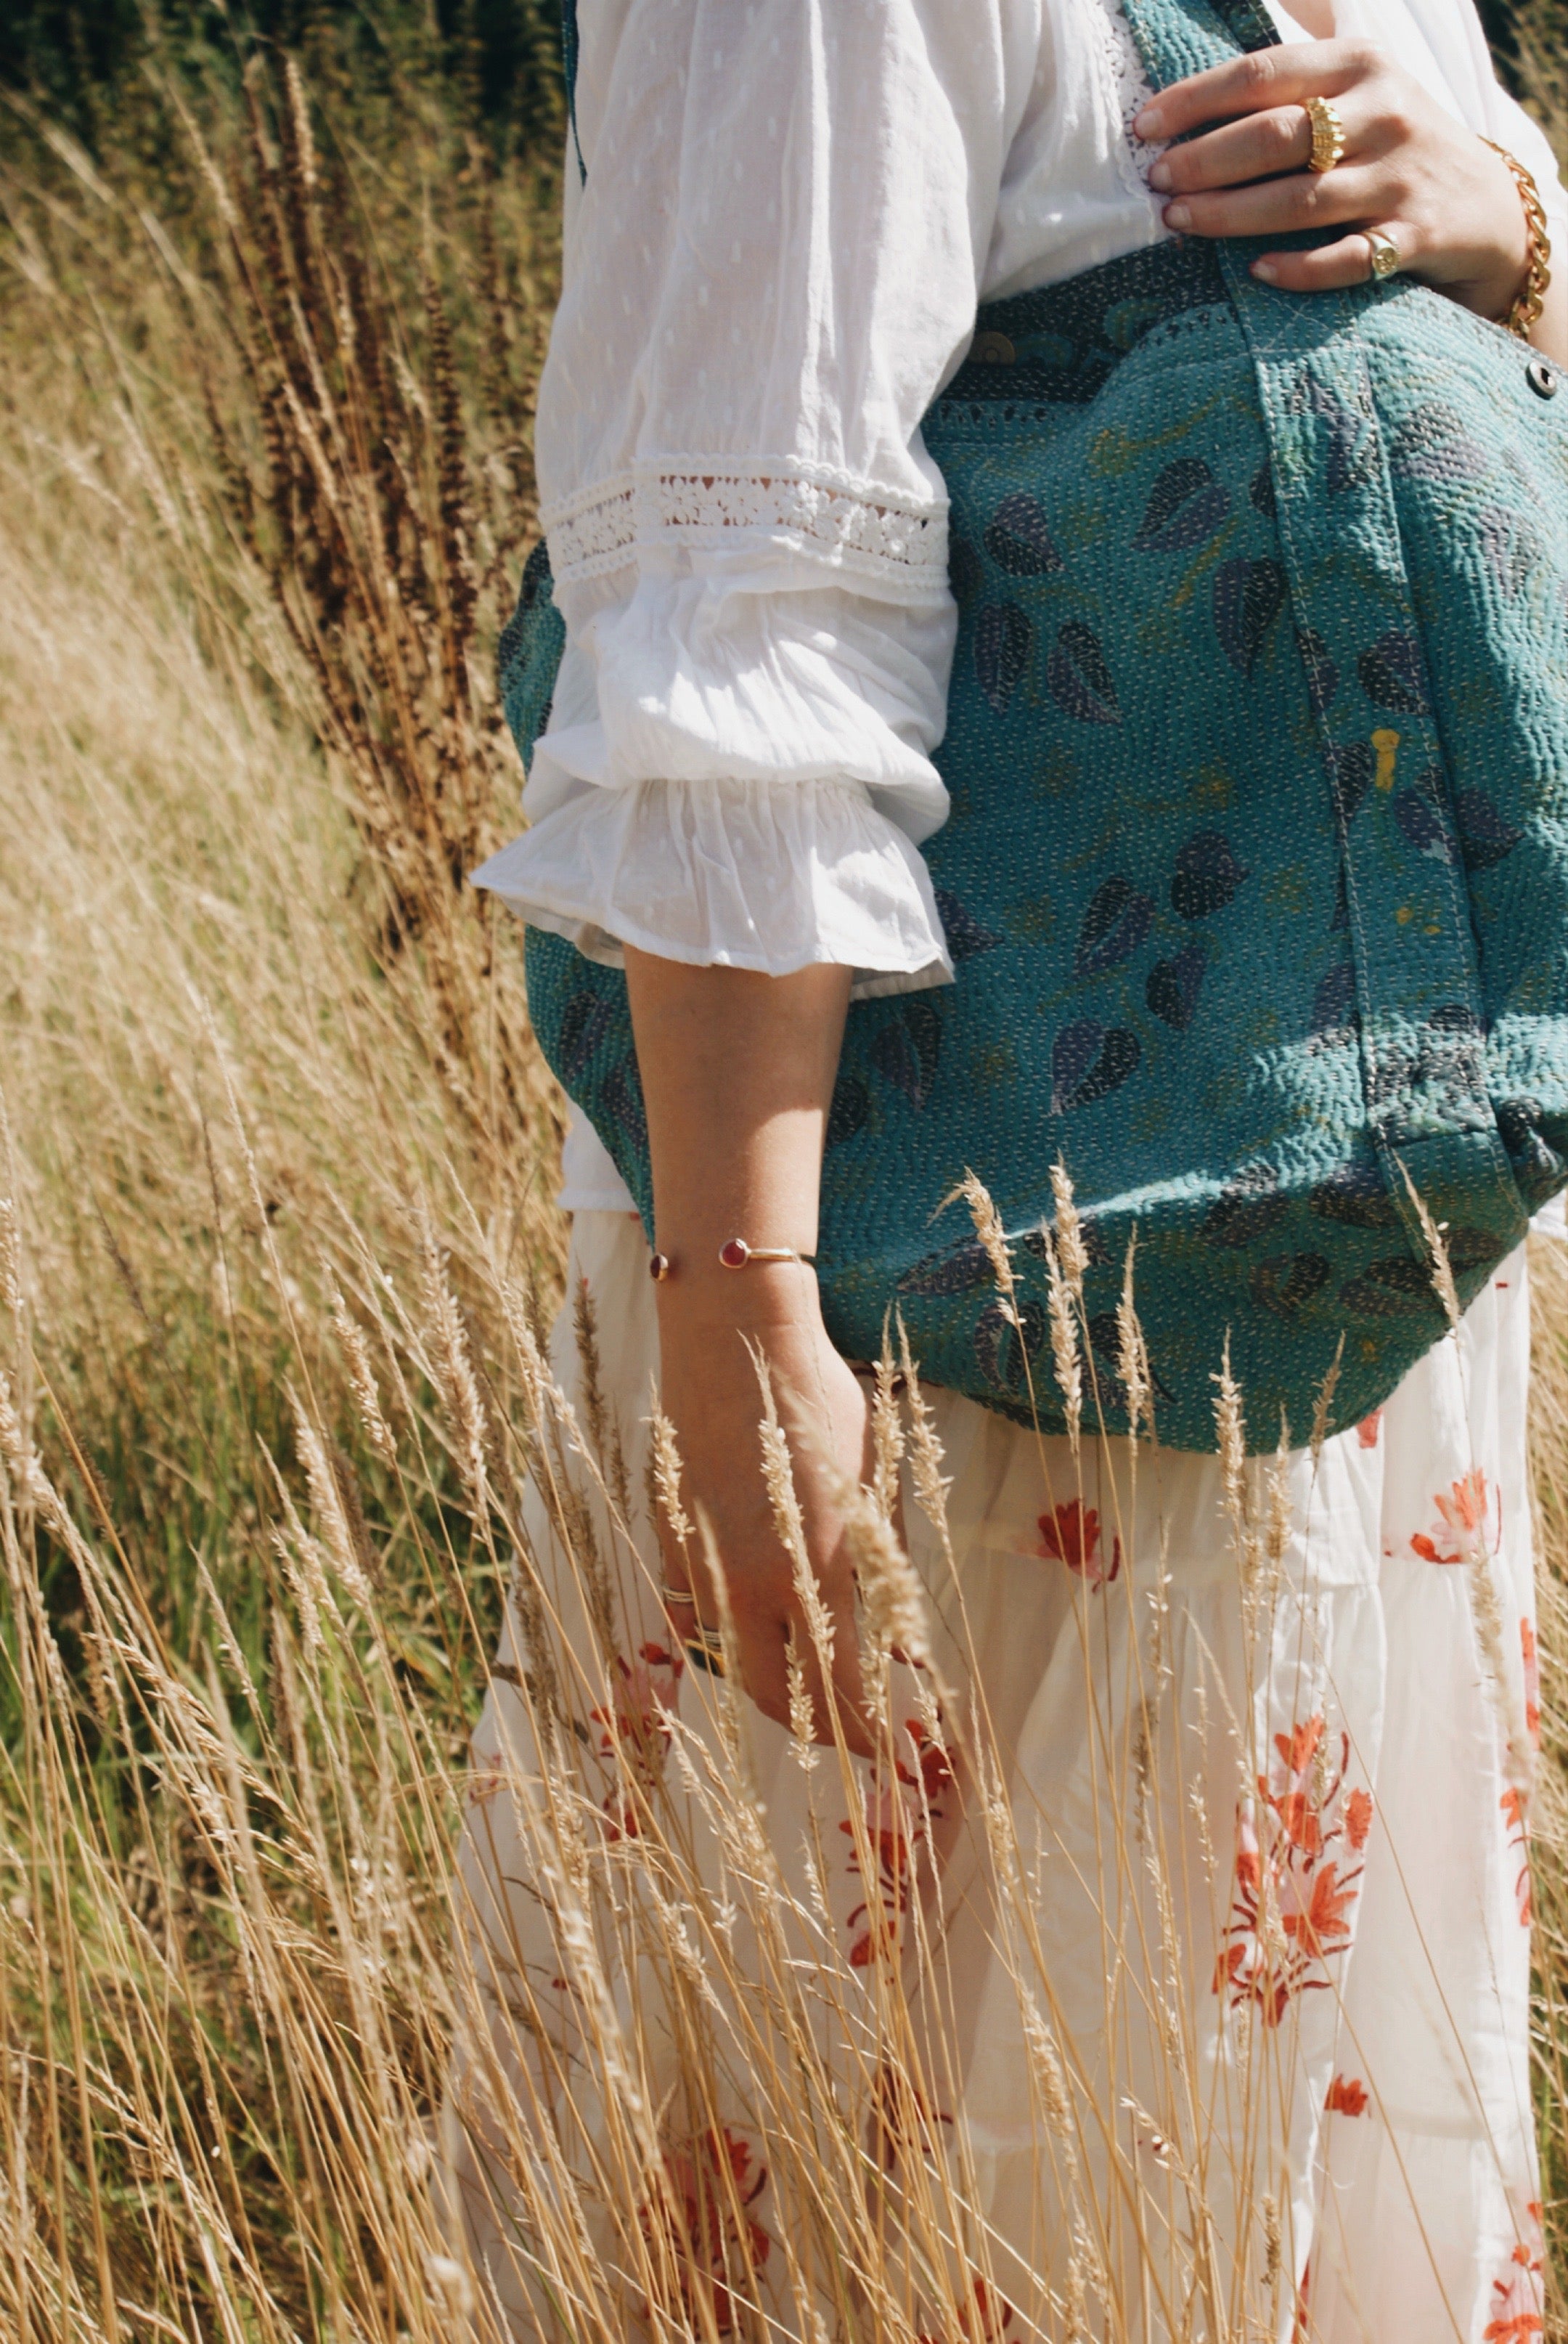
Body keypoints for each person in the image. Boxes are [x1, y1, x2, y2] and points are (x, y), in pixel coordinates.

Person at [449, 1, 1568, 2335]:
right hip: (940, 1317)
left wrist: (1511, 222)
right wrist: (746, 1305)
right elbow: (744, 598)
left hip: (1328, 1314)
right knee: (941, 2188)